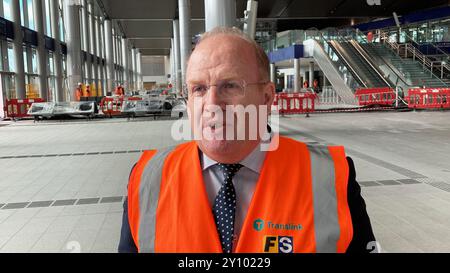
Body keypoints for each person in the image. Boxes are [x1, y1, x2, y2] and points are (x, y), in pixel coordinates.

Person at [118, 27, 376, 253]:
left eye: (230, 86)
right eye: (199, 89)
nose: (212, 104)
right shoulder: (147, 179)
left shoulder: (329, 177)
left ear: (266, 97)